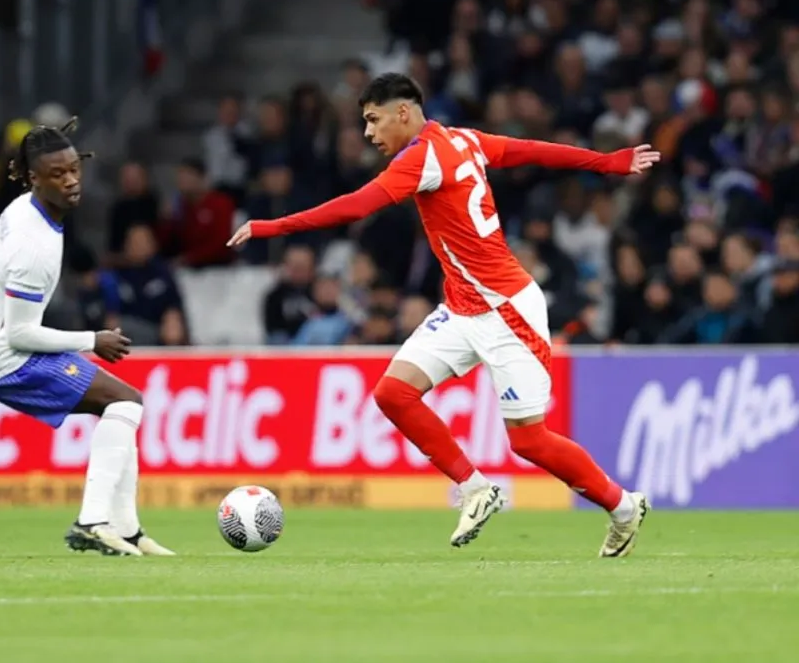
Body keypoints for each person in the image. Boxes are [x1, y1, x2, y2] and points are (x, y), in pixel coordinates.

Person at [228, 73, 661, 557]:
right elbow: (534, 150)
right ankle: (476, 488)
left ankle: (623, 507)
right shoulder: (464, 139)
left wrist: (271, 226)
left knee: (530, 441)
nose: (369, 133)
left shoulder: (421, 156)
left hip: (506, 310)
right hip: (462, 306)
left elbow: (356, 207)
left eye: (373, 120)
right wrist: (606, 162)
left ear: (404, 113)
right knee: (393, 393)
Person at [0, 118, 174, 558]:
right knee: (125, 402)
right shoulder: (33, 244)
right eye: (58, 174)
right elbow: (20, 334)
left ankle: (126, 529)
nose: (71, 181)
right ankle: (93, 522)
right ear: (34, 178)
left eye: (75, 168)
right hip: (0, 356)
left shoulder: (27, 208)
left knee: (124, 401)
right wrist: (91, 340)